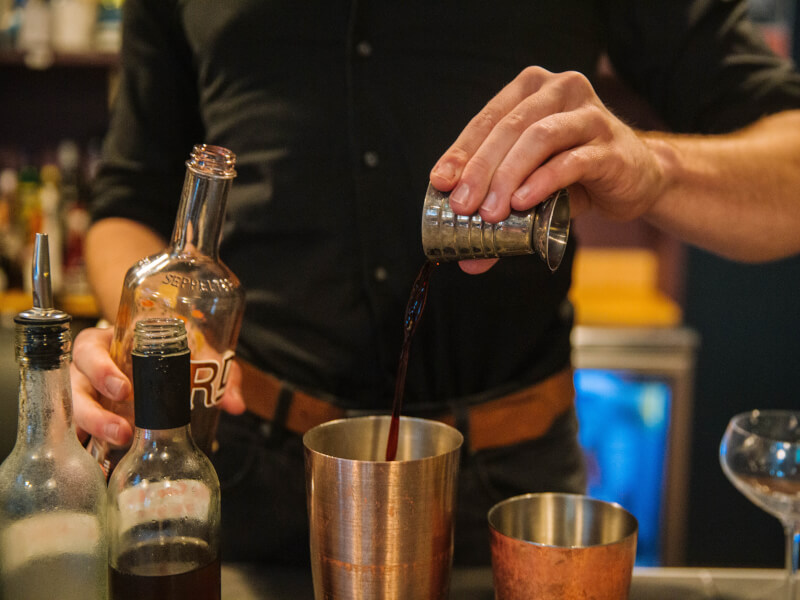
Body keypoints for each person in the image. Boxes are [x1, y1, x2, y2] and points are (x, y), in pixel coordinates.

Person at [71, 0, 800, 566]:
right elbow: (129, 201)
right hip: (251, 472)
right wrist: (160, 328)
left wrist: (654, 168)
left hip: (502, 490)